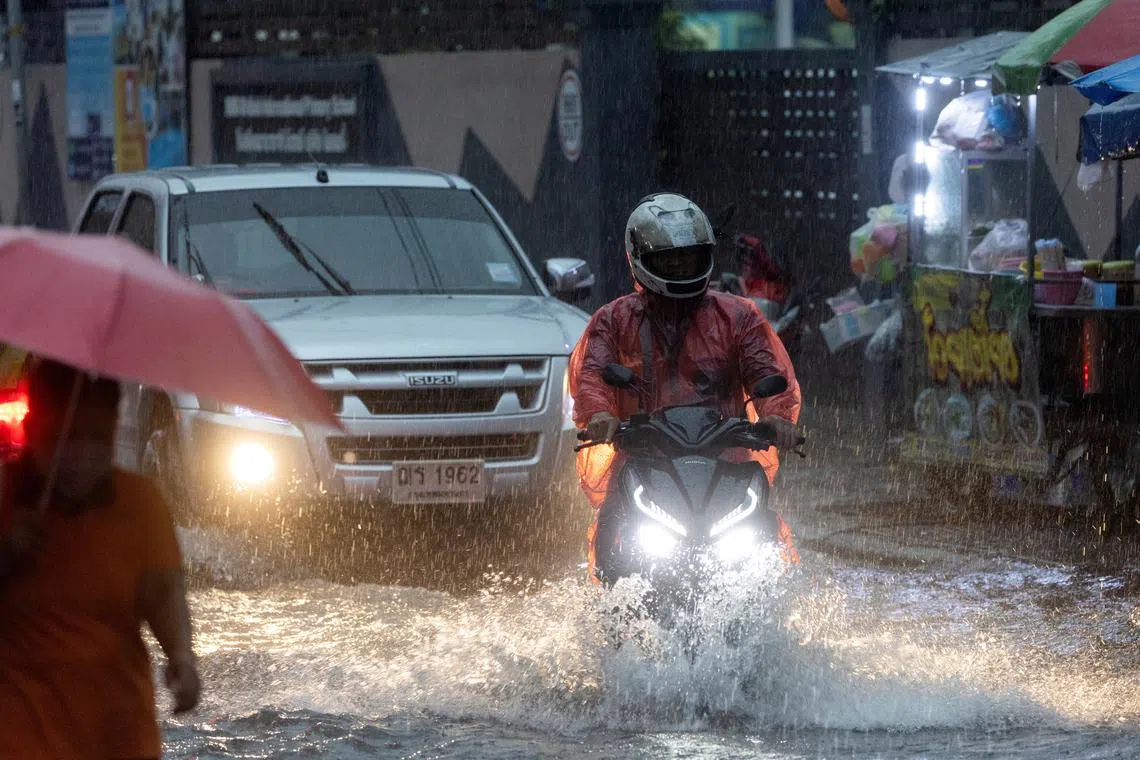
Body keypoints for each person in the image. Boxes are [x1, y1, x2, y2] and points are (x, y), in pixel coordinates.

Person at [568, 193, 802, 579]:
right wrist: (601, 416)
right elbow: (593, 374)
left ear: (706, 256)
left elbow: (767, 372)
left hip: (725, 464)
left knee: (765, 544)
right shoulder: (613, 320)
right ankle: (610, 618)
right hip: (643, 463)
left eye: (688, 256)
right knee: (613, 532)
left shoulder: (738, 316)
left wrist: (777, 418)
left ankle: (770, 609)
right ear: (640, 257)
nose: (679, 266)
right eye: (668, 258)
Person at [0, 357, 199, 760]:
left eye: (97, 438)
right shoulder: (4, 496)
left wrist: (180, 654)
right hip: (21, 731)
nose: (81, 453)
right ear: (34, 427)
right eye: (65, 437)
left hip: (119, 733)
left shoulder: (140, 503)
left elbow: (162, 592)